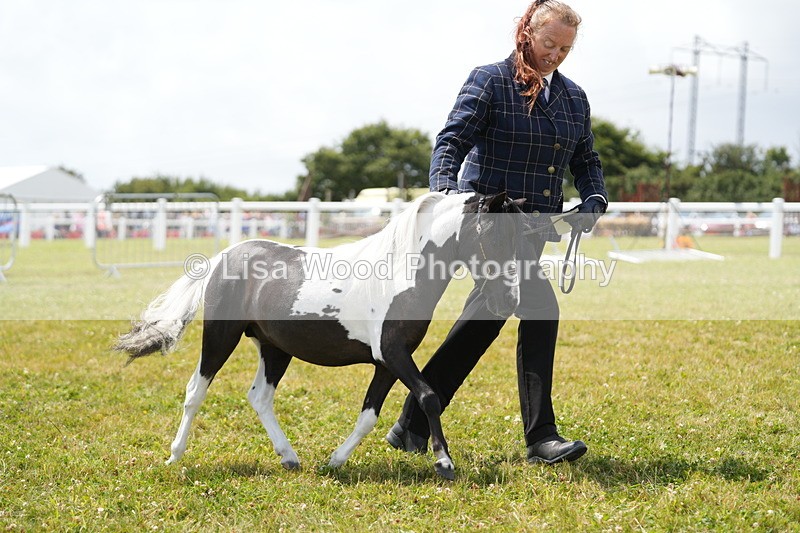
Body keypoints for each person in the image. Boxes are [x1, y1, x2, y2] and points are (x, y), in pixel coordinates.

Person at [386, 0, 608, 464]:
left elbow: (585, 159)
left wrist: (593, 198)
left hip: (532, 228)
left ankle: (412, 422)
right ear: (527, 31)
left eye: (565, 49)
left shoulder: (574, 98)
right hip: (485, 223)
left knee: (485, 318)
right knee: (540, 308)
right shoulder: (490, 80)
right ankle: (541, 437)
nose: (555, 55)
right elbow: (451, 141)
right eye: (549, 43)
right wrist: (447, 197)